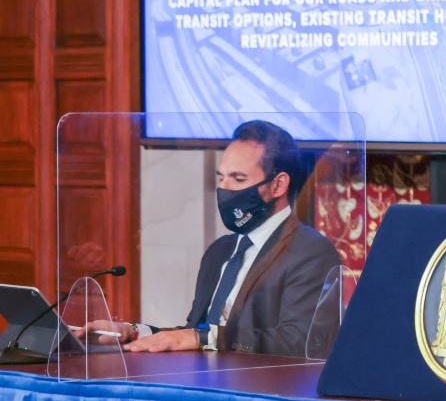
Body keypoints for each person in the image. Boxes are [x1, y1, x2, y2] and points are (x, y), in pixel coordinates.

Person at [90, 120, 340, 357]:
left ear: (278, 185)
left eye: (238, 179)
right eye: (221, 177)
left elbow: (302, 340)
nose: (225, 189)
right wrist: (134, 332)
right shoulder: (221, 250)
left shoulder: (310, 251)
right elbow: (197, 333)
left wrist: (202, 338)